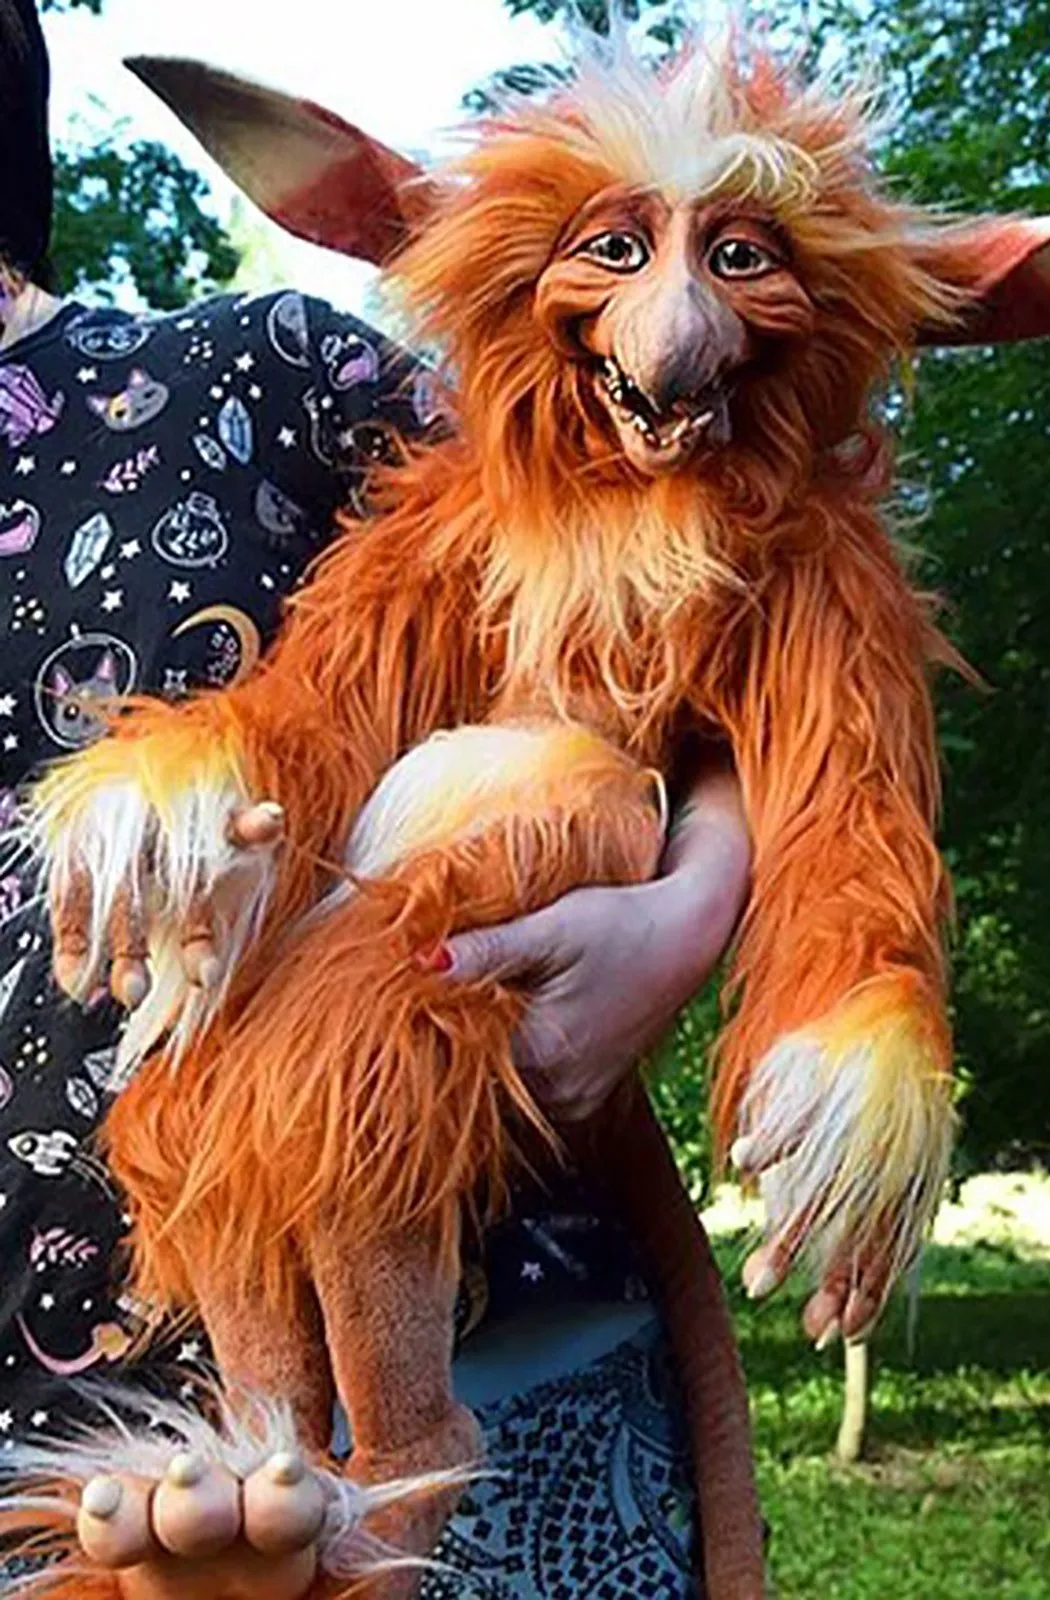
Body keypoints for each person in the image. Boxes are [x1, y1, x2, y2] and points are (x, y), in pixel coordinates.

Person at [0, 1, 754, 1592]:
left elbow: (711, 604)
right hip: (52, 1471)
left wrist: (693, 905)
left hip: (476, 1366)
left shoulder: (256, 375)